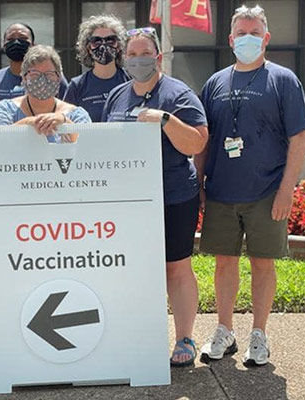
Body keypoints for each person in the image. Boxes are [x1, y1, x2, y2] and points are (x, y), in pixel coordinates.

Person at [197, 5, 305, 367]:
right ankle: (225, 330)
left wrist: (286, 189)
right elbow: (205, 138)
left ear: (266, 37)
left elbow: (300, 137)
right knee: (224, 264)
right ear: (230, 40)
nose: (248, 39)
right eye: (241, 33)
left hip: (266, 192)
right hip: (221, 192)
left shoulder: (283, 80)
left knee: (263, 264)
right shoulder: (214, 83)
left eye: (254, 32)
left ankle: (259, 335)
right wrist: (199, 183)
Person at [101, 27, 209, 367]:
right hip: (130, 202)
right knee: (133, 270)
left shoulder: (178, 95)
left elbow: (197, 142)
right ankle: (138, 337)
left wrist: (165, 120)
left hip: (173, 197)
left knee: (176, 268)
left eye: (144, 53)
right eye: (131, 55)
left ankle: (184, 338)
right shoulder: (117, 96)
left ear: (158, 57)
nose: (137, 60)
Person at [0, 22, 68, 125]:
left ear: (33, 45)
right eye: (10, 39)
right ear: (4, 45)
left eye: (23, 38)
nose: (16, 42)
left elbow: (66, 110)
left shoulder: (52, 78)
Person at [0, 45, 91, 136]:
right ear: (24, 77)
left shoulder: (76, 115)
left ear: (58, 78)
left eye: (49, 74)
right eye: (35, 74)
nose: (42, 80)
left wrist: (65, 123)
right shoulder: (6, 110)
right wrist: (27, 123)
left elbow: (89, 145)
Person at [63, 14, 130, 122]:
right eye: (96, 41)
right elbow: (67, 122)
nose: (103, 45)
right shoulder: (77, 86)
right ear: (89, 48)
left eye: (110, 40)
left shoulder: (131, 81)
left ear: (118, 46)